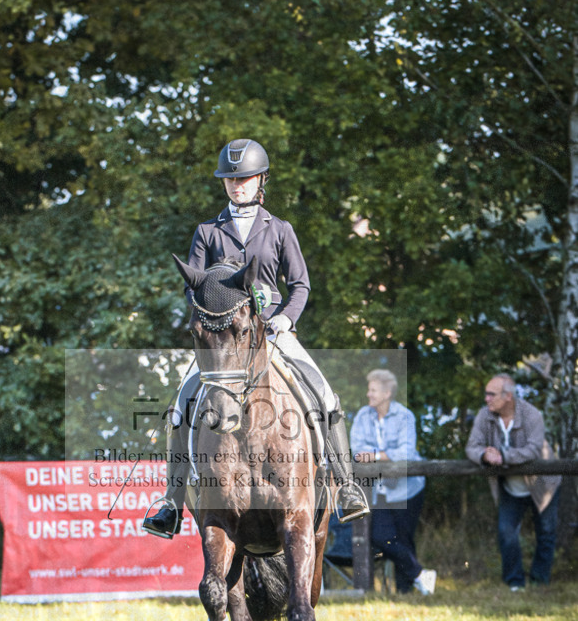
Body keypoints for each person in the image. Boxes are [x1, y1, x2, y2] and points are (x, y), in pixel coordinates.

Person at [142, 137, 369, 537]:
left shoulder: (279, 229)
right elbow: (192, 287)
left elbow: (300, 285)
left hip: (273, 332)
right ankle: (171, 502)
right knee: (180, 406)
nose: (237, 185)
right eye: (230, 179)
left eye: (244, 178)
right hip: (226, 340)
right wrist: (213, 313)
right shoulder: (207, 232)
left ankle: (347, 487)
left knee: (325, 394)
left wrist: (284, 319)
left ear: (260, 179)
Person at [465, 373, 561, 590]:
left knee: (546, 532)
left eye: (491, 394)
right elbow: (472, 446)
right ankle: (515, 582)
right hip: (510, 487)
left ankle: (539, 581)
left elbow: (534, 450)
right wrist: (484, 455)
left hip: (543, 485)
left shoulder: (532, 415)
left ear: (508, 396)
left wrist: (503, 456)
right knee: (506, 532)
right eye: (486, 394)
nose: (487, 398)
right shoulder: (484, 415)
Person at [351, 369, 436, 594]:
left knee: (404, 539)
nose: (368, 394)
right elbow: (357, 452)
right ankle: (420, 574)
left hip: (408, 489)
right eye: (369, 389)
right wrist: (385, 454)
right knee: (381, 537)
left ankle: (405, 592)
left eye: (373, 390)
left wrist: (377, 456)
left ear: (387, 393)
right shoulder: (362, 416)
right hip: (380, 489)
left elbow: (406, 453)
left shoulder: (404, 416)